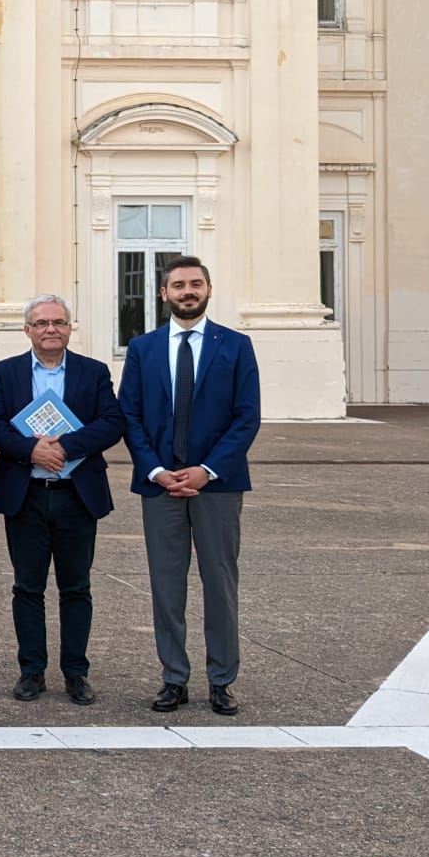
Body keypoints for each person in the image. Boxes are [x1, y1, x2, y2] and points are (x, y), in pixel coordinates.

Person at [116, 257, 263, 717]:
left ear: (209, 290)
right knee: (166, 586)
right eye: (178, 285)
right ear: (163, 293)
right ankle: (173, 678)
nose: (187, 291)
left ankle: (221, 680)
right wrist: (157, 470)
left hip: (216, 487)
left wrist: (207, 470)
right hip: (160, 486)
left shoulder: (236, 346)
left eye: (195, 284)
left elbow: (246, 417)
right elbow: (130, 416)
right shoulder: (143, 349)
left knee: (219, 584)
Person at [0, 295, 127, 706]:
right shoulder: (7, 372)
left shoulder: (93, 371)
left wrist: (63, 447)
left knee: (76, 588)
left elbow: (111, 422)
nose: (51, 329)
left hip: (76, 496)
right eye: (42, 322)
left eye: (59, 322)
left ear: (69, 328)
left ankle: (76, 674)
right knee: (27, 587)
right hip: (26, 495)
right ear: (27, 329)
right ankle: (31, 672)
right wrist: (32, 451)